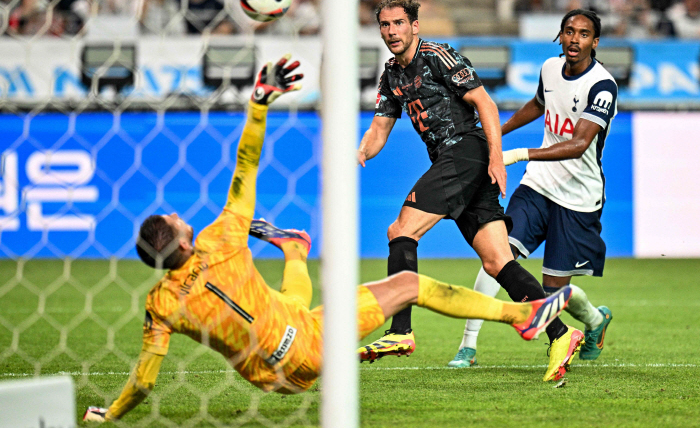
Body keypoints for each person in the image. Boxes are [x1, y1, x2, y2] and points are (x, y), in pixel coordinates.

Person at [81, 55, 573, 422]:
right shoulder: (221, 240)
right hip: (316, 344)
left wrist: (110, 415)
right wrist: (261, 105)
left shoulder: (160, 302)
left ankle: (304, 253)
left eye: (396, 23)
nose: (174, 212)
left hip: (278, 379)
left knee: (377, 253)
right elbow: (246, 166)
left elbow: (145, 381)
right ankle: (527, 319)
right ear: (182, 244)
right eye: (171, 219)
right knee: (445, 273)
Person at [355, 0, 581, 382]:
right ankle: (562, 334)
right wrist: (356, 153)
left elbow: (485, 104)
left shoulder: (438, 55)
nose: (391, 31)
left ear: (414, 25)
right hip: (456, 163)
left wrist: (495, 157)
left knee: (401, 230)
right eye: (385, 25)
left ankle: (400, 331)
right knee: (497, 262)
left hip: (465, 151)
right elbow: (379, 129)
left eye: (398, 23)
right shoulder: (391, 75)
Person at [448, 9, 615, 377]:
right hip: (538, 184)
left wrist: (518, 153)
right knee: (498, 253)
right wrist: (496, 134)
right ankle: (467, 346)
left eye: (584, 34)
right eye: (569, 31)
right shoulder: (549, 69)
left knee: (555, 291)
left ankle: (594, 320)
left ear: (595, 42)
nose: (575, 39)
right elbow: (539, 105)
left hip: (578, 197)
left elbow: (578, 144)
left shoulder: (602, 86)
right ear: (560, 35)